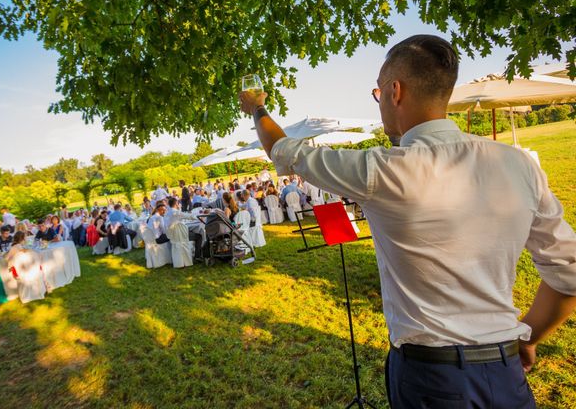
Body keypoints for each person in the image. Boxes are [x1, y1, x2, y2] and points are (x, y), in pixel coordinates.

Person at [239, 34, 576, 408]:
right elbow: (569, 272)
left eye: (377, 93)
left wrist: (257, 108)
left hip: (432, 378)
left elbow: (285, 151)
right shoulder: (519, 165)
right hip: (505, 372)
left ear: (394, 92)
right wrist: (528, 338)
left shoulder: (382, 170)